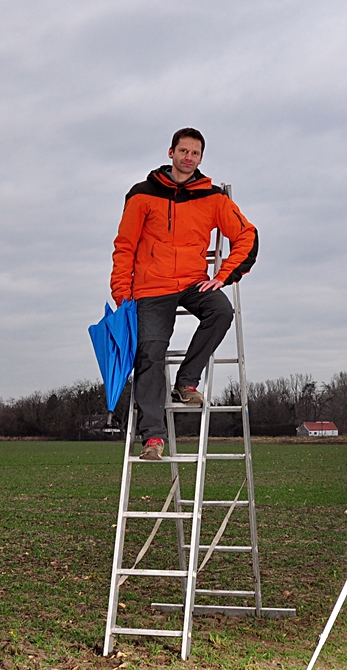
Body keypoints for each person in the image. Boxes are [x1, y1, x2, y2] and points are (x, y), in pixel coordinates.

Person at [110, 128, 258, 461]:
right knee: (149, 352)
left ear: (201, 158)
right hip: (151, 287)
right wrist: (123, 294)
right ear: (171, 152)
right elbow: (125, 246)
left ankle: (186, 383)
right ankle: (153, 438)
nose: (188, 157)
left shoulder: (214, 197)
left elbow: (247, 236)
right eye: (183, 151)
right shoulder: (142, 194)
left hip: (193, 281)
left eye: (195, 153)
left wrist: (222, 277)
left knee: (222, 311)